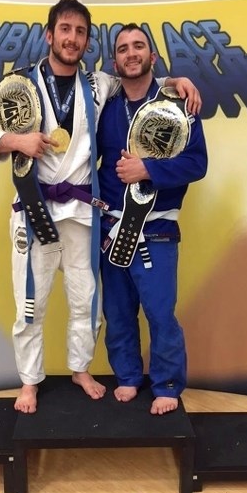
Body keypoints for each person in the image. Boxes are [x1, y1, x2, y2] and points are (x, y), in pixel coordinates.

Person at [0, 0, 202, 414]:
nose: (72, 38)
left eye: (80, 32)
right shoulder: (18, 86)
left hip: (81, 214)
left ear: (87, 42)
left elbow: (142, 80)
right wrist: (16, 141)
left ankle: (80, 369)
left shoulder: (98, 86)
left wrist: (177, 80)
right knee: (30, 302)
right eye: (65, 30)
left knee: (86, 300)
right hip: (34, 209)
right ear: (50, 35)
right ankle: (29, 382)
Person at [97, 23, 208, 415]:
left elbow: (197, 163)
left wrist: (148, 169)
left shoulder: (177, 103)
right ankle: (127, 376)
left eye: (138, 46)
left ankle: (167, 383)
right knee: (118, 313)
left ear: (152, 57)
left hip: (157, 229)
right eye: (124, 48)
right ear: (115, 61)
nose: (131, 53)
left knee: (160, 313)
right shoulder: (105, 106)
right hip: (112, 229)